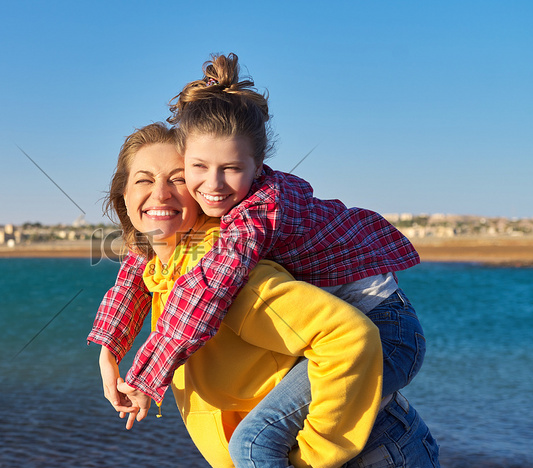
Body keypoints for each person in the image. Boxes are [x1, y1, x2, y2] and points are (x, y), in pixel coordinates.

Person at [94, 123, 442, 468]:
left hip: (371, 465)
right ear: (123, 195)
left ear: (198, 194)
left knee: (254, 446)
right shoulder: (166, 262)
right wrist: (109, 349)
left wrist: (306, 460)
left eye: (176, 179)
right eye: (143, 180)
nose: (159, 194)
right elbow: (134, 273)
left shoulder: (225, 268)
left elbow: (350, 336)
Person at [89, 53, 425, 418]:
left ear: (257, 165)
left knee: (262, 446)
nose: (211, 183)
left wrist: (145, 376)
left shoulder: (247, 219)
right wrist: (110, 347)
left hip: (383, 323)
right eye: (198, 169)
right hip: (355, 331)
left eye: (178, 178)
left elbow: (205, 291)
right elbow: (139, 268)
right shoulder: (202, 213)